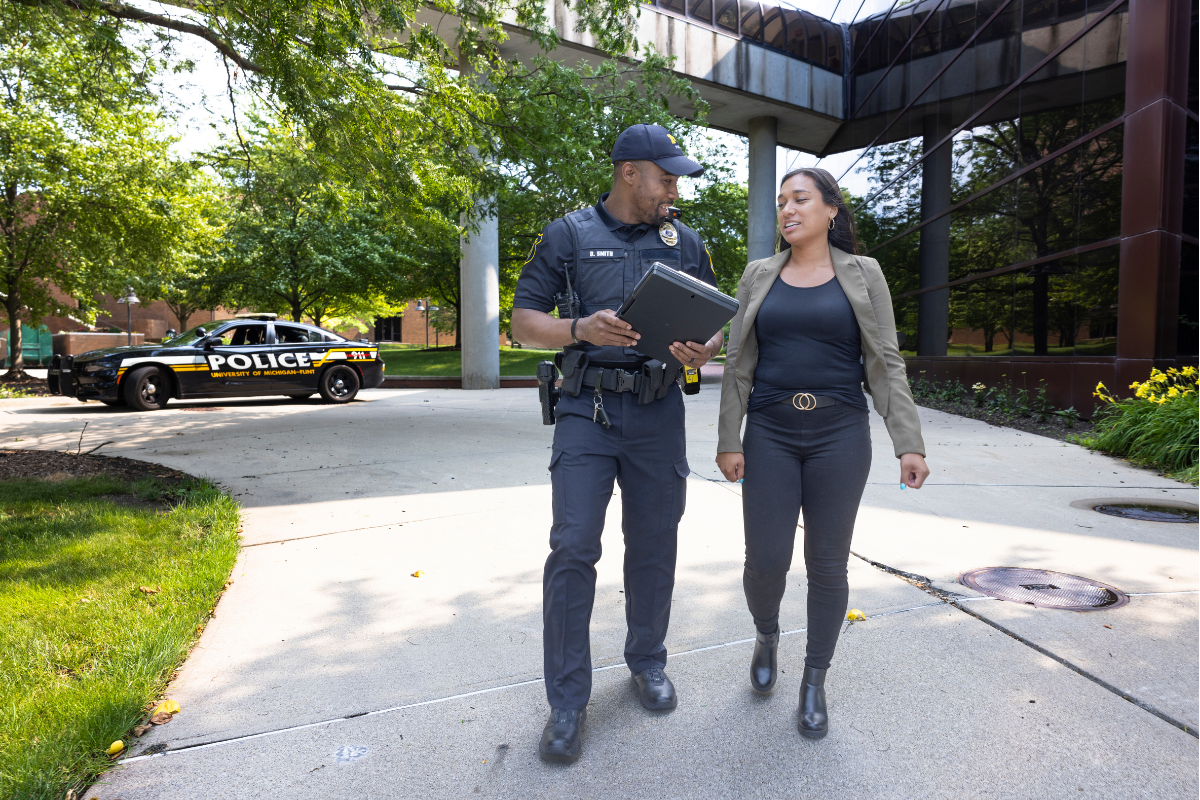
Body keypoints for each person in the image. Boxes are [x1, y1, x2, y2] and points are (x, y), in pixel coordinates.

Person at [511, 123, 725, 762]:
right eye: (665, 177)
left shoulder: (683, 240)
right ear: (629, 172)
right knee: (573, 549)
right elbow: (524, 323)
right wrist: (580, 327)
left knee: (655, 544)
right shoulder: (569, 234)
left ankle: (647, 661)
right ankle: (567, 701)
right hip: (587, 410)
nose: (673, 188)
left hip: (660, 411)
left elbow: (714, 326)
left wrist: (701, 351)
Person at [715, 167, 929, 739]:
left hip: (839, 432)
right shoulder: (759, 274)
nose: (787, 209)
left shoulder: (865, 274)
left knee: (828, 565)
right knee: (765, 560)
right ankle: (766, 635)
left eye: (800, 199)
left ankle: (815, 679)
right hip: (769, 432)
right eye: (781, 200)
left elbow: (885, 361)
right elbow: (738, 364)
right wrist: (728, 439)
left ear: (832, 209)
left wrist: (907, 442)